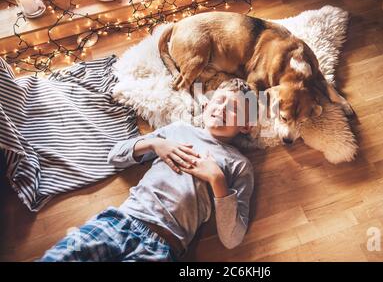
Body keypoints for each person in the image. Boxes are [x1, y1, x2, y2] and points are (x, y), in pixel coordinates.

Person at [40, 78, 256, 262]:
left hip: (162, 248)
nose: (221, 109)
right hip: (120, 222)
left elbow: (232, 239)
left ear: (246, 126)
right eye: (218, 101)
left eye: (234, 109)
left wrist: (217, 179)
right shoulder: (179, 130)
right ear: (206, 105)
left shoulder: (239, 165)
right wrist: (155, 144)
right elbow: (115, 156)